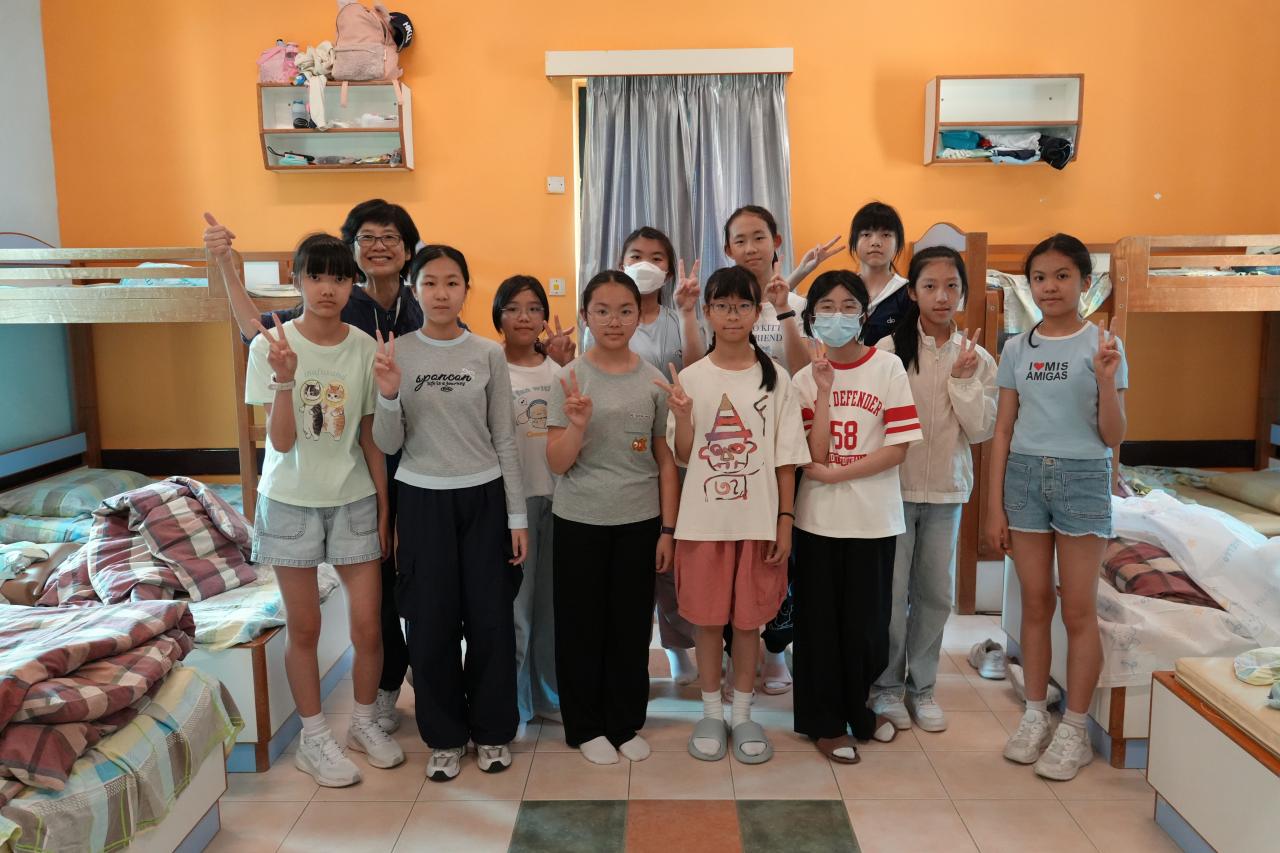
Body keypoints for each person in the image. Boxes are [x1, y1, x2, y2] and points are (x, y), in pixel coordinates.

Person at [235, 231, 404, 786]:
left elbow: (370, 436)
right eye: (315, 276)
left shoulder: (364, 347)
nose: (327, 288)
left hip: (354, 499)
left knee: (370, 628)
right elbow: (281, 442)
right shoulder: (270, 345)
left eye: (338, 277)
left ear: (353, 283)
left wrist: (384, 509)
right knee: (304, 627)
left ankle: (363, 723)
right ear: (298, 281)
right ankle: (313, 739)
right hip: (289, 504)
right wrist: (286, 380)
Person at [372, 245, 528, 782]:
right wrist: (388, 394)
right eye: (430, 283)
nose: (441, 293)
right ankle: (443, 737)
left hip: (484, 498)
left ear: (466, 289)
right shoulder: (396, 352)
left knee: (491, 622)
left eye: (452, 282)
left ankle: (492, 731)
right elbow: (387, 442)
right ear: (414, 289)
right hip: (422, 499)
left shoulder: (486, 353)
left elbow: (504, 437)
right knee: (430, 624)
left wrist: (516, 517)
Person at [986, 234, 1127, 781]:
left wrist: (1108, 382)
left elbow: (1114, 436)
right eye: (1040, 277)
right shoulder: (1017, 348)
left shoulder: (1105, 345)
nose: (1050, 286)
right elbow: (1002, 430)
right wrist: (995, 507)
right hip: (1024, 477)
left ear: (1085, 283)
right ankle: (1033, 715)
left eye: (1062, 276)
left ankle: (1074, 729)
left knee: (1078, 610)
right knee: (1035, 603)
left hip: (1083, 476)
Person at [663, 265, 808, 764]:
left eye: (742, 305)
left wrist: (784, 521)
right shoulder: (690, 378)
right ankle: (710, 713)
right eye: (722, 306)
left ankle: (743, 714)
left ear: (756, 312)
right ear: (707, 312)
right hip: (701, 525)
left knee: (749, 625)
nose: (732, 315)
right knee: (706, 623)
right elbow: (684, 455)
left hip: (758, 524)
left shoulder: (777, 379)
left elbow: (787, 459)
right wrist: (684, 417)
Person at [546, 270, 678, 765]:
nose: (614, 320)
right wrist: (577, 426)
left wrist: (668, 529)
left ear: (640, 314)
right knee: (580, 626)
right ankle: (585, 726)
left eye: (625, 310)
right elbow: (557, 463)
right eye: (602, 311)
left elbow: (665, 460)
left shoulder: (654, 380)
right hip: (579, 519)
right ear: (586, 316)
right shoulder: (568, 378)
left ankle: (623, 723)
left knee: (631, 627)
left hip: (639, 522)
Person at [790, 270, 923, 764]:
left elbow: (898, 448)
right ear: (811, 318)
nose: (838, 316)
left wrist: (838, 475)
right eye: (826, 307)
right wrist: (825, 389)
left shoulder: (887, 367)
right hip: (818, 523)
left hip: (873, 520)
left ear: (864, 316)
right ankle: (824, 723)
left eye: (849, 306)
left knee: (867, 629)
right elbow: (815, 453)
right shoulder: (804, 379)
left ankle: (858, 711)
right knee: (820, 628)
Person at [870, 246, 997, 733]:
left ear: (963, 293)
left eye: (951, 287)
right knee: (889, 596)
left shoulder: (977, 358)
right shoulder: (887, 352)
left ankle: (922, 688)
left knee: (935, 596)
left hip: (946, 492)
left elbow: (981, 430)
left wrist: (963, 382)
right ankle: (886, 688)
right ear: (913, 293)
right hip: (892, 491)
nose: (941, 296)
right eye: (930, 286)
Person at [583, 226, 706, 685]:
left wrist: (689, 314)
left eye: (657, 257)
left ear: (669, 270)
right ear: (621, 262)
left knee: (670, 553)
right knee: (631, 556)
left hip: (675, 443)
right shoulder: (605, 320)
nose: (646, 265)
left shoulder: (678, 317)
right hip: (620, 453)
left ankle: (677, 645)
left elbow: (696, 369)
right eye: (636, 255)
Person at [492, 275, 574, 731]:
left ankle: (549, 696)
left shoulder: (560, 371)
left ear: (544, 317)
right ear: (499, 316)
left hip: (559, 500)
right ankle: (515, 704)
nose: (524, 317)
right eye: (513, 309)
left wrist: (567, 364)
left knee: (552, 609)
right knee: (517, 611)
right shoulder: (490, 366)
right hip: (513, 504)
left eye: (533, 308)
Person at [848, 201, 909, 345]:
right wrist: (802, 273)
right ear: (854, 241)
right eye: (866, 234)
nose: (875, 242)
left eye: (886, 235)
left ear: (898, 243)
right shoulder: (843, 289)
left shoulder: (908, 293)